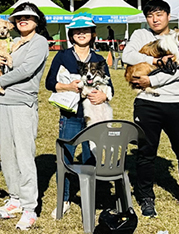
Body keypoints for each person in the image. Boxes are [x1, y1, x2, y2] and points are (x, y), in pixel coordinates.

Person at [121, 0, 179, 219]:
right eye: (150, 15)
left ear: (168, 16)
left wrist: (152, 81)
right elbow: (127, 56)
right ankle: (146, 198)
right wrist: (157, 61)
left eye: (159, 14)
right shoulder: (141, 35)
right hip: (147, 103)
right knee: (146, 153)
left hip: (177, 102)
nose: (155, 19)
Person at [45, 13, 113, 219]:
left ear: (92, 34)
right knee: (65, 156)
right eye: (77, 31)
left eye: (85, 31)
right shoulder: (63, 56)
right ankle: (64, 200)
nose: (81, 34)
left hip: (93, 116)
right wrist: (68, 86)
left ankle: (88, 197)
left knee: (90, 157)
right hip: (71, 115)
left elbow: (110, 87)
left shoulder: (99, 59)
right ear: (71, 35)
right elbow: (49, 83)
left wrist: (103, 95)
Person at [0, 3, 49, 230]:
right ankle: (15, 199)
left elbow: (26, 70)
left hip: (23, 103)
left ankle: (29, 207)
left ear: (37, 21)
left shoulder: (39, 42)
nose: (23, 20)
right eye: (19, 17)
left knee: (24, 155)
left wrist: (0, 81)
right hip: (3, 102)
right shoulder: (11, 42)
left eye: (28, 17)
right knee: (7, 154)